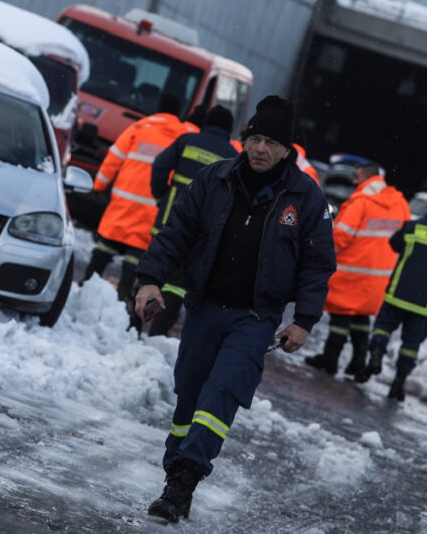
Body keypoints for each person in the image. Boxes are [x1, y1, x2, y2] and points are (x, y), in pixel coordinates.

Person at [132, 95, 336, 523]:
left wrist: (303, 321)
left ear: (287, 149)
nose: (261, 148)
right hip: (206, 307)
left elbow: (317, 263)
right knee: (190, 393)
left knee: (221, 392)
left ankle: (184, 482)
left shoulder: (306, 198)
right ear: (244, 140)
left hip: (255, 318)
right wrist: (150, 280)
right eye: (255, 138)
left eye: (270, 142)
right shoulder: (214, 179)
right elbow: (176, 234)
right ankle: (176, 470)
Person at [353, 188, 427, 402]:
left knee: (383, 328)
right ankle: (399, 382)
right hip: (424, 303)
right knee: (411, 344)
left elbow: (393, 244)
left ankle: (376, 354)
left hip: (397, 293)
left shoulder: (414, 227)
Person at [82, 93, 189, 306]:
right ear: (180, 112)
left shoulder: (140, 127)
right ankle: (123, 302)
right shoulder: (184, 135)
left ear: (158, 107)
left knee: (102, 252)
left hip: (122, 206)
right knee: (134, 262)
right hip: (151, 212)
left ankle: (84, 291)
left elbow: (113, 158)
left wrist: (99, 185)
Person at [305, 161, 410, 375]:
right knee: (361, 317)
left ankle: (330, 358)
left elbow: (341, 236)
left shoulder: (361, 201)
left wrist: (319, 250)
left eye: (357, 176)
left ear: (366, 177)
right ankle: (358, 360)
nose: (354, 181)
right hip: (379, 277)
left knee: (341, 316)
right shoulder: (400, 204)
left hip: (351, 273)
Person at [146, 104, 239, 337]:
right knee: (177, 284)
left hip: (168, 219)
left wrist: (161, 195)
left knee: (155, 273)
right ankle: (157, 331)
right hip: (199, 232)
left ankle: (140, 322)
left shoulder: (187, 141)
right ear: (230, 129)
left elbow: (160, 165)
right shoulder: (232, 157)